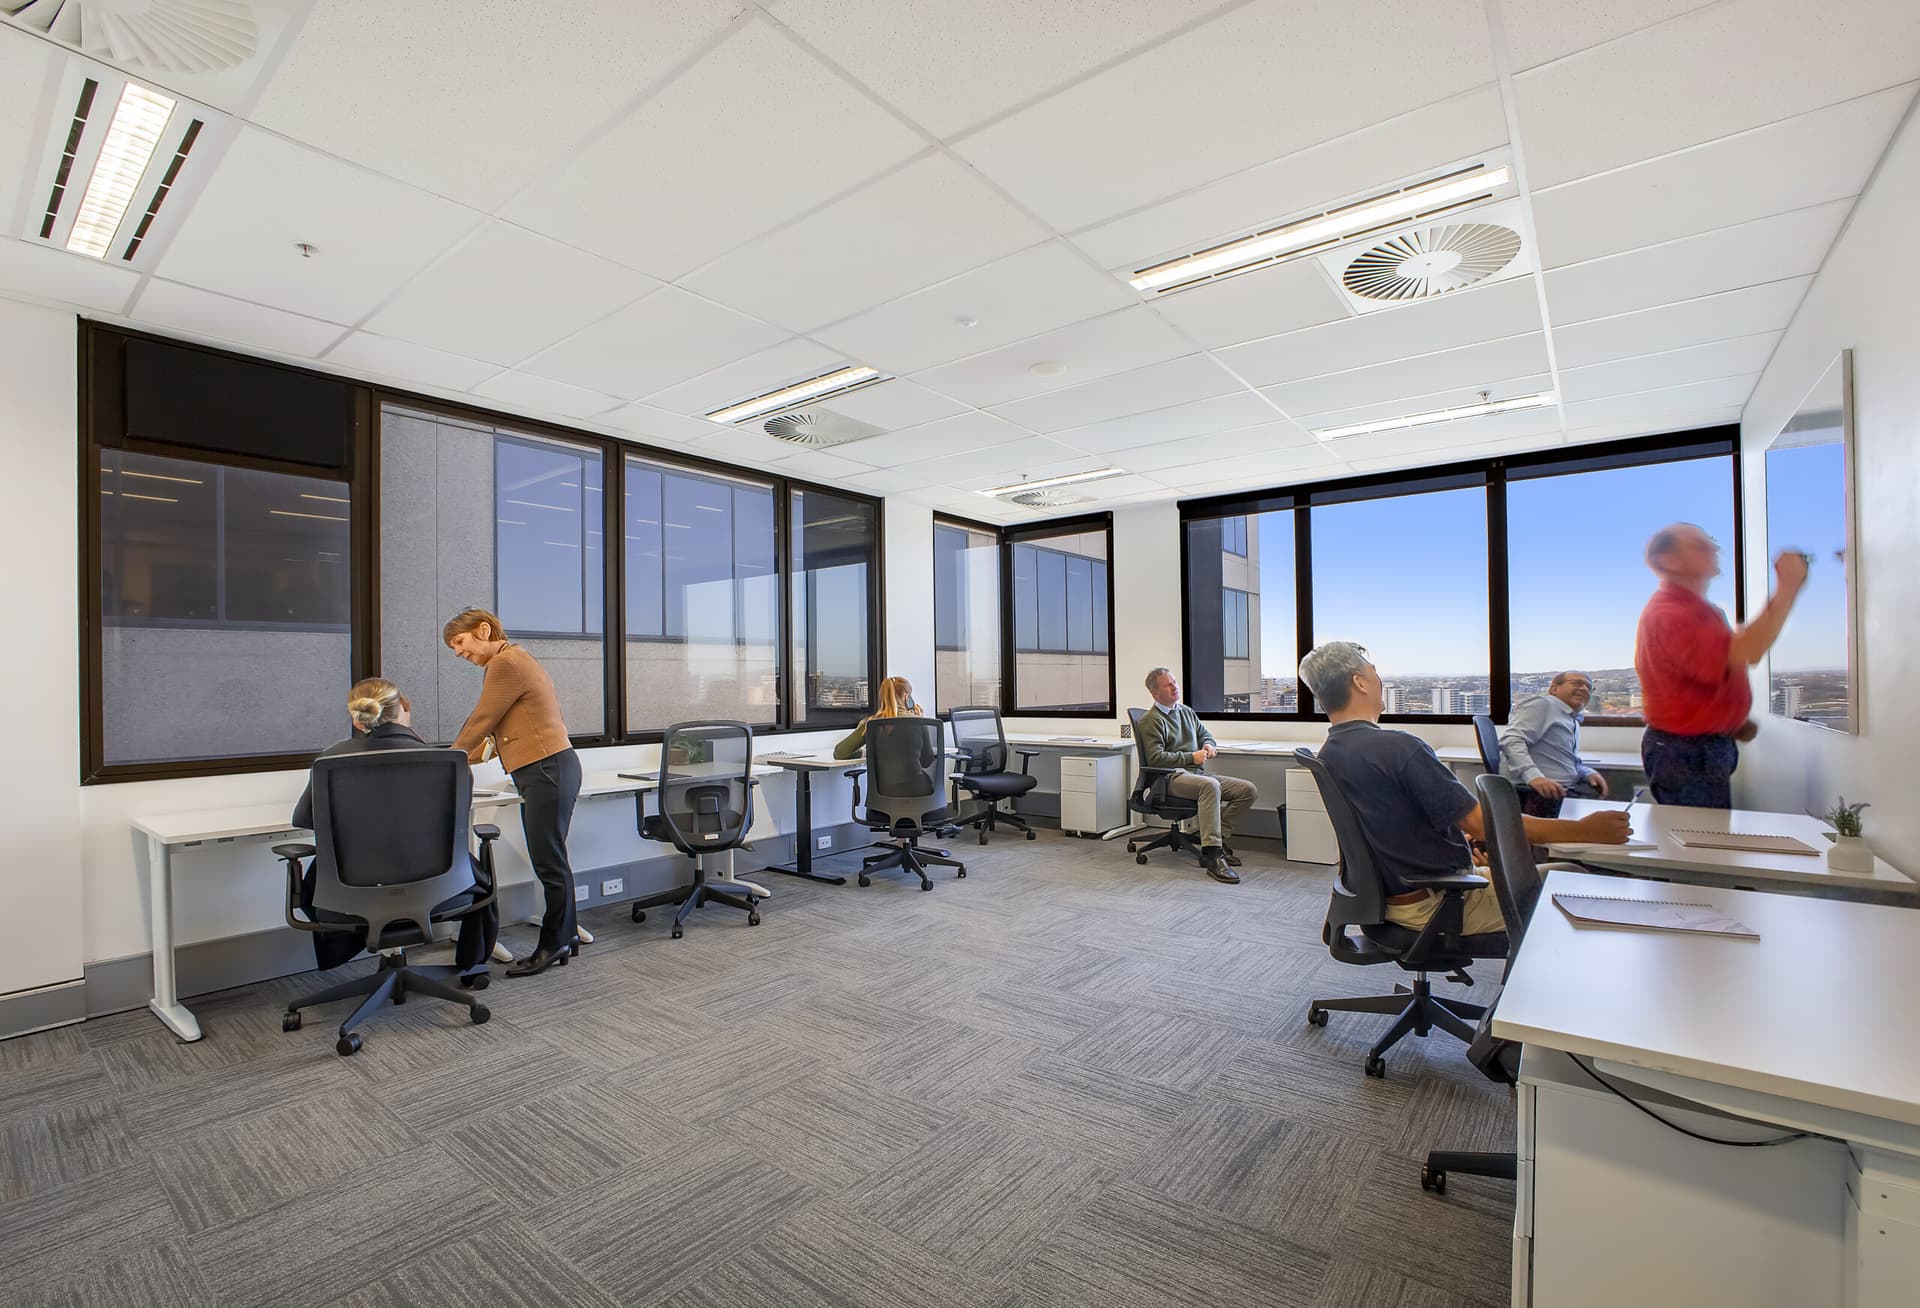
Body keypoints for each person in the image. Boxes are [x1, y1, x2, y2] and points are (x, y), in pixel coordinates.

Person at [1298, 642, 1631, 936]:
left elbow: (1390, 821)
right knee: (1572, 876)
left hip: (1397, 894)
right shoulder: (1398, 747)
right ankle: (1529, 1000)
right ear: (1359, 682)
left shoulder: (1334, 750)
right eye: (1373, 673)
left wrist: (1458, 843)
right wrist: (1585, 830)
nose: (1379, 681)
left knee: (1546, 872)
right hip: (1435, 903)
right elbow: (1485, 824)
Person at [291, 678, 499, 978]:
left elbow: (304, 819)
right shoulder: (447, 762)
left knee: (322, 877)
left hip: (348, 897)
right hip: (441, 890)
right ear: (404, 707)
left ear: (357, 718)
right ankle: (472, 964)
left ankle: (350, 947)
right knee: (480, 877)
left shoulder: (332, 760)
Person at [446, 607, 581, 978]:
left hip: (546, 768)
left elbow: (482, 719)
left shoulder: (505, 664)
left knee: (548, 861)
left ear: (484, 630)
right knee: (551, 858)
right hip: (547, 767)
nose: (458, 652)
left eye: (459, 642)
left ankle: (554, 943)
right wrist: (460, 758)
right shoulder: (514, 660)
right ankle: (564, 937)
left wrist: (448, 762)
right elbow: (493, 733)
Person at [1634, 524, 1808, 807]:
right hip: (1688, 752)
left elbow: (1710, 674)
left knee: (1706, 839)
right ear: (1669, 560)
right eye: (1700, 545)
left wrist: (1730, 721)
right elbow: (1748, 651)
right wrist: (1787, 587)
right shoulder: (1671, 613)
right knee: (1702, 843)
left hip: (1700, 747)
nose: (1715, 549)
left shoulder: (1700, 611)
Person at [1137, 667, 1258, 884]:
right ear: (1155, 693)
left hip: (1195, 774)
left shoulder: (1186, 712)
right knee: (1210, 786)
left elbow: (1206, 734)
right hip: (1169, 778)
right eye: (1168, 684)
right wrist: (1191, 757)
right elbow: (1155, 758)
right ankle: (1213, 855)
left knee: (1247, 790)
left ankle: (1219, 839)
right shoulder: (1151, 720)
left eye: (1174, 682)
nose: (1175, 687)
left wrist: (1208, 745)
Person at [1500, 671, 1608, 818]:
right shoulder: (1544, 705)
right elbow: (1511, 740)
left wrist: (1586, 772)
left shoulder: (1570, 719)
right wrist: (1534, 777)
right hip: (1538, 794)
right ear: (1554, 689)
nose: (1584, 689)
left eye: (1589, 687)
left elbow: (1564, 760)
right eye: (1577, 683)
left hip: (1562, 790)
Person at [832, 676, 919, 759]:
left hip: (881, 775)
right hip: (915, 774)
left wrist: (865, 753)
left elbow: (839, 753)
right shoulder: (918, 722)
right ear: (906, 696)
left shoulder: (871, 723)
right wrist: (920, 719)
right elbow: (926, 760)